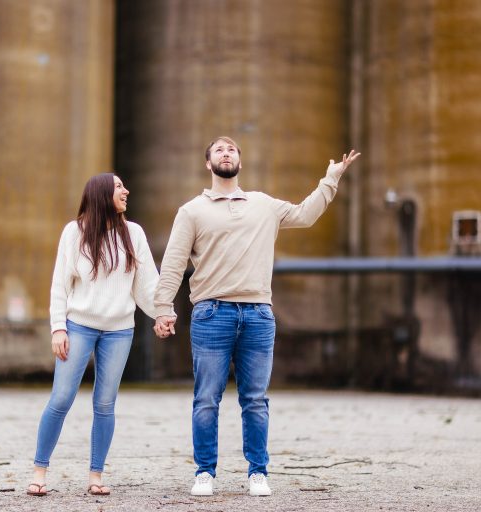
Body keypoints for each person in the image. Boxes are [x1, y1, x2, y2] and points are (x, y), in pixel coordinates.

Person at [153, 136, 360, 497]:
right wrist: (162, 307)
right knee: (206, 398)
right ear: (208, 163)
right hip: (211, 312)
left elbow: (305, 215)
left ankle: (257, 473)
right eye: (218, 149)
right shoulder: (192, 211)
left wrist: (331, 178)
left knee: (256, 399)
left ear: (240, 161)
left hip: (258, 314)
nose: (226, 152)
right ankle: (205, 472)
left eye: (232, 149)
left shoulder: (263, 205)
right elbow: (172, 264)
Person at [28, 173, 171, 497]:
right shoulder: (74, 232)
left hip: (119, 330)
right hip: (78, 326)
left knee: (105, 403)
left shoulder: (133, 233)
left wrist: (163, 313)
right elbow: (59, 285)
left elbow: (147, 283)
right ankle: (39, 470)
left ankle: (96, 475)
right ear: (101, 194)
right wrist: (58, 328)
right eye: (119, 187)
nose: (126, 191)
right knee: (61, 398)